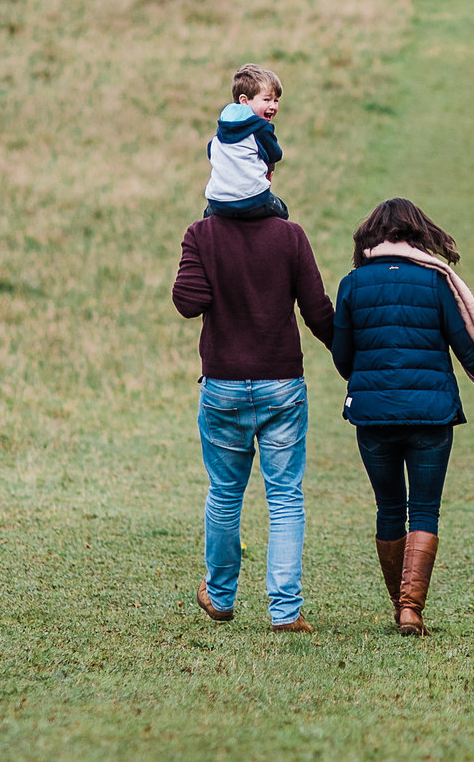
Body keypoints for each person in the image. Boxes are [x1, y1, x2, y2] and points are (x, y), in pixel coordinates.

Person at [332, 197, 474, 635]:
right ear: (418, 234)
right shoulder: (436, 283)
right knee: (425, 509)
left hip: (373, 415)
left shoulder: (353, 284)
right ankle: (412, 609)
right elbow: (467, 348)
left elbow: (343, 358)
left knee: (388, 507)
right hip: (432, 415)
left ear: (373, 235)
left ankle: (401, 605)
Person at [171, 177, 333, 632]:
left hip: (221, 384)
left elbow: (188, 302)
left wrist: (207, 259)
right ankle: (285, 611)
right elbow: (317, 309)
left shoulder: (200, 235)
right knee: (284, 497)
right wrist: (348, 359)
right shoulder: (290, 235)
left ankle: (220, 596)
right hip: (282, 384)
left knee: (224, 492)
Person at [205, 64, 288, 220]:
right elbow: (275, 154)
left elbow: (211, 150)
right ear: (244, 100)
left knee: (207, 221)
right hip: (253, 200)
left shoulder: (224, 126)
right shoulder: (260, 128)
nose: (273, 106)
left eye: (276, 100)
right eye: (267, 99)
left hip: (218, 202)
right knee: (282, 211)